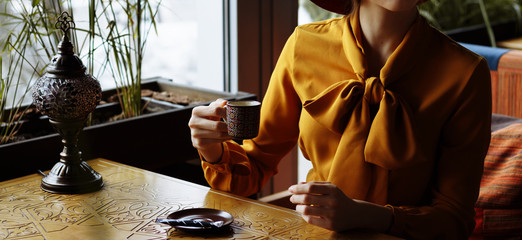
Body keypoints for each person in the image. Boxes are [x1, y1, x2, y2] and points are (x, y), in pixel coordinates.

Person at [188, 0, 492, 238]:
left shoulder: (464, 73)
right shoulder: (303, 46)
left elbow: (454, 220)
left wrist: (369, 215)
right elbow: (252, 171)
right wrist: (212, 148)